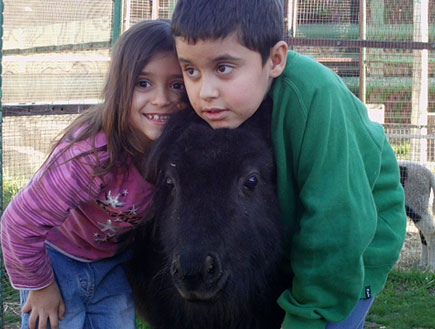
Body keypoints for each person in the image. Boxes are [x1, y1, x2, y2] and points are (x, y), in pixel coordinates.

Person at [170, 1, 407, 328]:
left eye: (223, 67)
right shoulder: (237, 100)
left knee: (328, 316)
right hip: (302, 235)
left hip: (356, 247)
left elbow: (338, 223)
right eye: (191, 71)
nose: (204, 92)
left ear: (276, 59)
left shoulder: (315, 96)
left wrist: (305, 318)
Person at [1, 19, 186, 329]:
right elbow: (18, 222)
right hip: (56, 262)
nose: (162, 99)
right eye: (143, 83)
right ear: (119, 86)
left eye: (177, 84)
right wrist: (41, 286)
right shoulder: (91, 154)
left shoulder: (178, 153)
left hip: (111, 265)